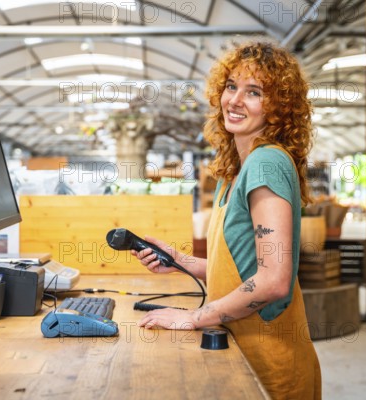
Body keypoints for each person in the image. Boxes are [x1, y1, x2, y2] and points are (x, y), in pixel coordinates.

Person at [133, 40, 321, 399]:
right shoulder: (236, 169)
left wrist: (194, 317)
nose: (234, 100)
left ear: (279, 107)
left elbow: (273, 280)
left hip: (269, 363)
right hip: (243, 350)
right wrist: (178, 260)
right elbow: (243, 264)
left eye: (254, 92)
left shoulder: (266, 163)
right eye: (231, 86)